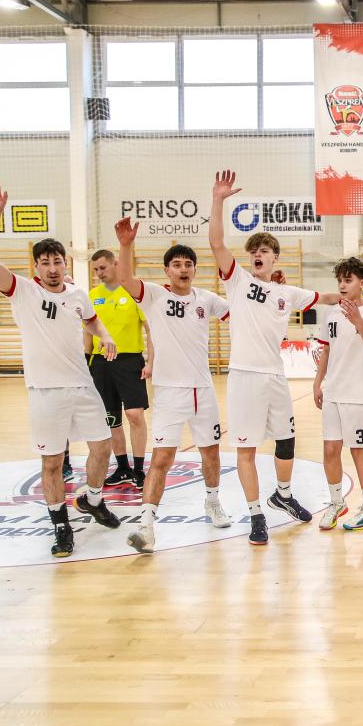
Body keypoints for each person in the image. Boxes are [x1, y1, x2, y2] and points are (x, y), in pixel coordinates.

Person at [0, 177, 119, 558]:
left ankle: (92, 499)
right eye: (46, 262)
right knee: (52, 462)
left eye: (58, 261)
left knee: (103, 448)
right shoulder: (23, 291)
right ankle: (60, 525)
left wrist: (104, 335)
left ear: (65, 263)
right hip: (46, 391)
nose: (53, 268)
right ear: (35, 266)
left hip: (82, 386)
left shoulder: (77, 293)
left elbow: (91, 320)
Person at [207, 169, 341, 546]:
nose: (257, 255)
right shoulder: (237, 280)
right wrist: (218, 200)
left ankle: (282, 494)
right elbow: (216, 242)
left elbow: (326, 297)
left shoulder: (288, 292)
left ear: (275, 258)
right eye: (253, 252)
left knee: (286, 441)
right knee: (246, 449)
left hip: (274, 377)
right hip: (244, 376)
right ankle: (256, 515)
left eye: (264, 251)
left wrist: (361, 299)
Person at [111, 217, 232, 554]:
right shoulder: (153, 295)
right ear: (167, 270)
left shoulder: (206, 299)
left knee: (211, 453)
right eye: (177, 264)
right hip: (170, 393)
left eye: (188, 264)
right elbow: (124, 278)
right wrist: (125, 245)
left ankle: (212, 502)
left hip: (203, 391)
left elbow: (241, 313)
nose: (183, 269)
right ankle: (146, 527)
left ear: (195, 270)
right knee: (162, 458)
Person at [313, 257, 363, 532]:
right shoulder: (331, 314)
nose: (343, 285)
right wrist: (317, 383)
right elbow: (327, 350)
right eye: (340, 281)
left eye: (348, 280)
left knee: (358, 451)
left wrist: (358, 320)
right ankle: (336, 503)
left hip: (359, 395)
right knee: (330, 450)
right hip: (333, 392)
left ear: (362, 283)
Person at [86, 248, 153, 489]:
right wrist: (86, 362)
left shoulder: (133, 292)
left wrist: (151, 362)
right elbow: (87, 332)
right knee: (111, 418)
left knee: (134, 414)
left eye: (103, 267)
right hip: (101, 363)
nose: (99, 273)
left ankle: (139, 469)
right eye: (95, 269)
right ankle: (122, 467)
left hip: (129, 361)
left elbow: (151, 330)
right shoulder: (93, 295)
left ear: (115, 264)